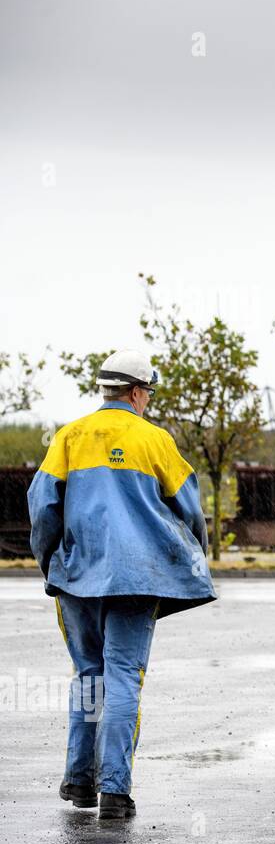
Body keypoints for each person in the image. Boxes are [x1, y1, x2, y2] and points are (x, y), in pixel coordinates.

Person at [27, 350, 216, 820]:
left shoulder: (69, 436)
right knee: (124, 676)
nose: (148, 400)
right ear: (135, 392)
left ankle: (79, 783)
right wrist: (193, 556)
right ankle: (115, 791)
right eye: (148, 392)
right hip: (137, 577)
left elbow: (42, 504)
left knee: (89, 675)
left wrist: (51, 561)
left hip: (76, 578)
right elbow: (190, 509)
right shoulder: (155, 441)